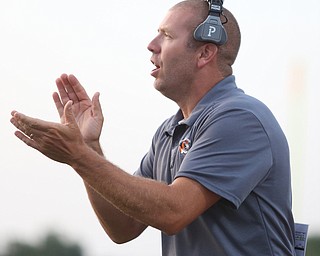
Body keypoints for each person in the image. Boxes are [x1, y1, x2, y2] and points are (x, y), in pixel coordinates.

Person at [10, 0, 296, 255]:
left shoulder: (240, 118)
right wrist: (88, 149)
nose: (152, 44)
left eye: (167, 35)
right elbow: (124, 227)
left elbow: (173, 212)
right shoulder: (169, 131)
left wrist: (79, 157)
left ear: (205, 53)